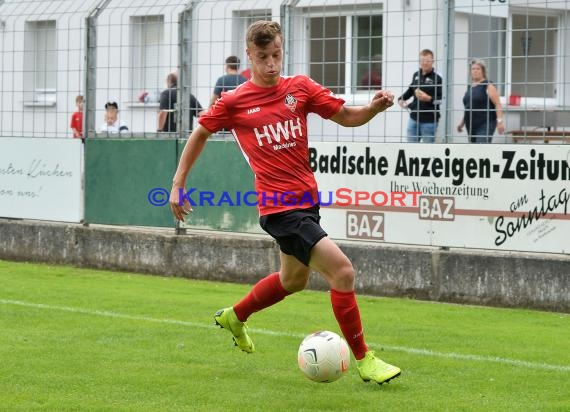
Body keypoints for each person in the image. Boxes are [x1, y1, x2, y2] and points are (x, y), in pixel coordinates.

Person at [170, 20, 401, 386]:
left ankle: (236, 316)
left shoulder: (300, 88)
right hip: (279, 209)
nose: (271, 64)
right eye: (263, 57)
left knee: (293, 280)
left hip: (306, 202)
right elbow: (200, 132)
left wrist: (372, 108)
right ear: (250, 56)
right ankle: (365, 359)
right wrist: (178, 182)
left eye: (276, 55)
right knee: (342, 272)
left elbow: (345, 116)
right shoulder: (233, 102)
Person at [398, 49, 442, 143]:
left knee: (427, 151)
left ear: (433, 61)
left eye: (427, 61)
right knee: (411, 149)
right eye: (422, 60)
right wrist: (401, 99)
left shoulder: (438, 78)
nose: (425, 63)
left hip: (430, 121)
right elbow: (411, 90)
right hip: (413, 118)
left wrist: (429, 99)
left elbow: (442, 100)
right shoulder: (416, 75)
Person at [457, 59, 505, 143]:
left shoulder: (488, 85)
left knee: (481, 149)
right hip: (471, 125)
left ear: (483, 71)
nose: (475, 71)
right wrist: (462, 123)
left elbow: (498, 104)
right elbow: (468, 107)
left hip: (485, 124)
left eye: (478, 69)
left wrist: (500, 122)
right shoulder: (470, 88)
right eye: (473, 69)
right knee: (475, 152)